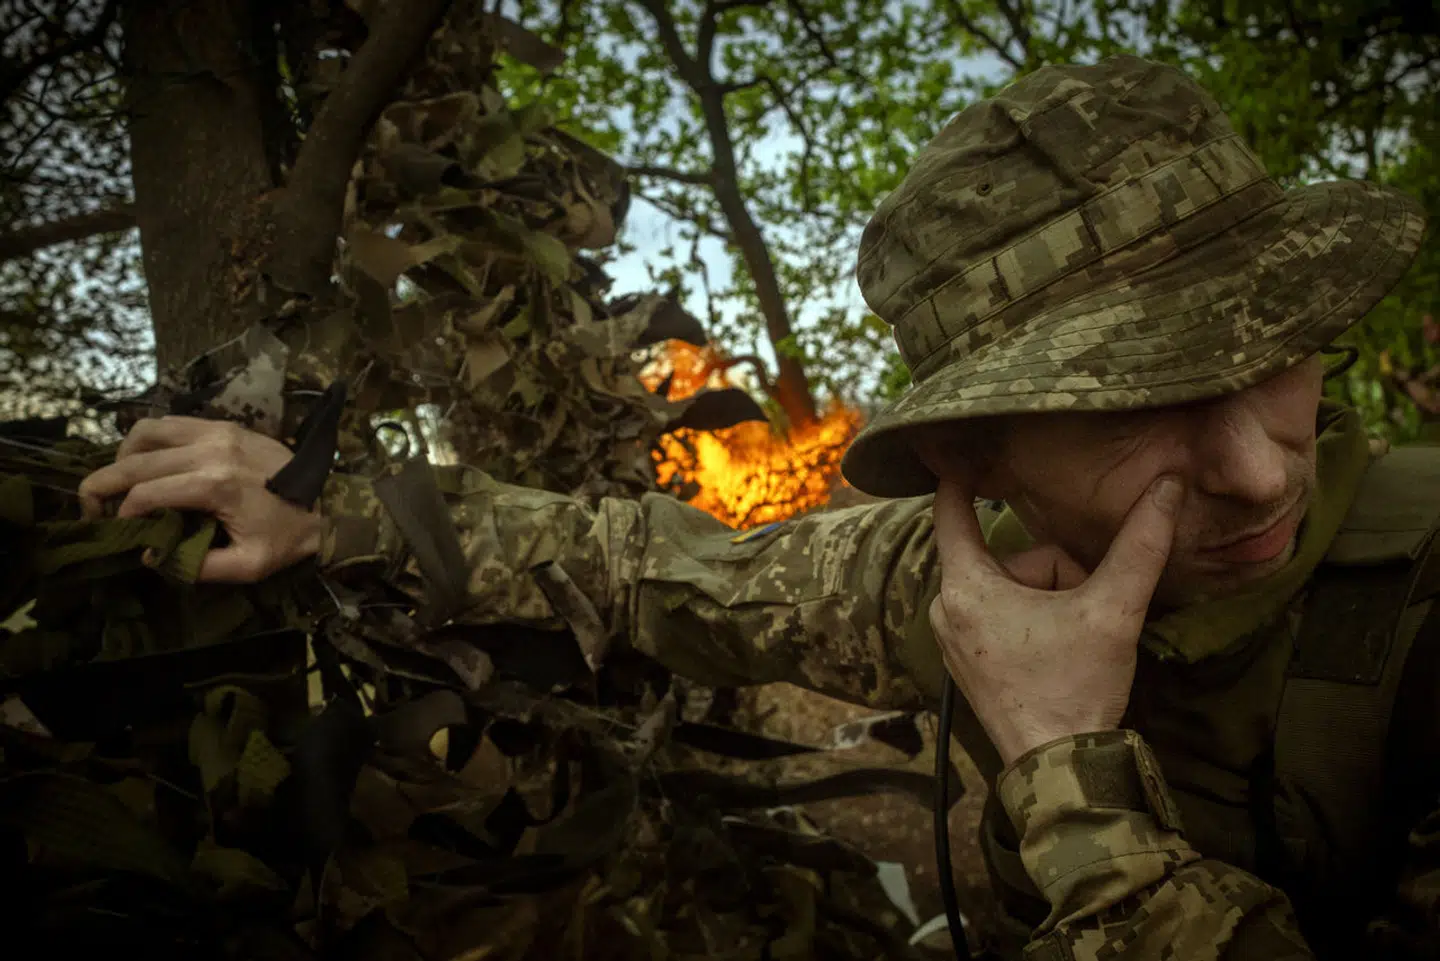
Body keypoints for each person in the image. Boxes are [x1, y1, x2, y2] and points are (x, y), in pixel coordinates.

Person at [77, 54, 1438, 960]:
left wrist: (1066, 777)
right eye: (1136, 414)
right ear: (978, 462)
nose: (1263, 473)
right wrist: (337, 514)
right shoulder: (977, 585)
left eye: (1276, 354)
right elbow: (657, 568)